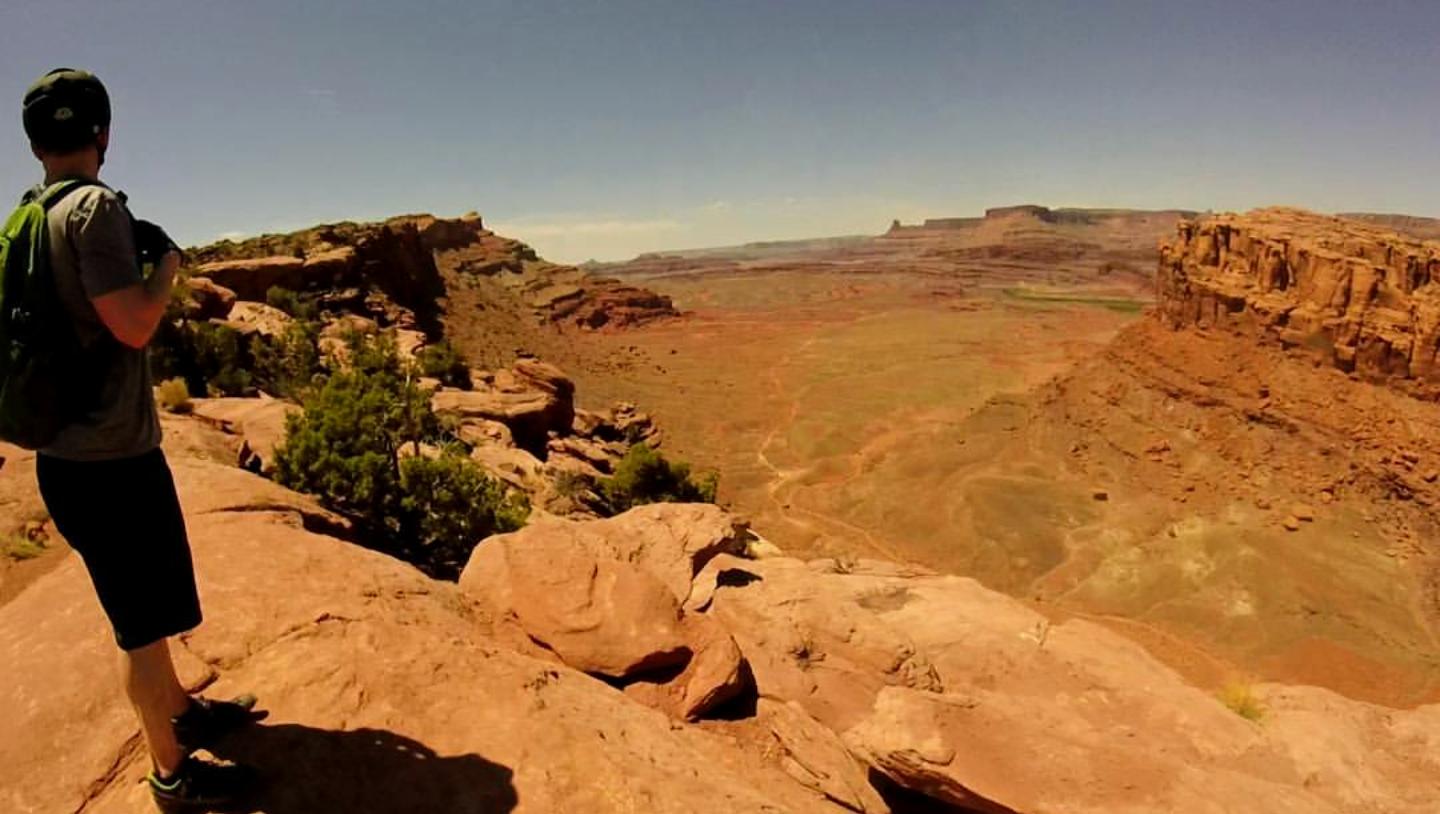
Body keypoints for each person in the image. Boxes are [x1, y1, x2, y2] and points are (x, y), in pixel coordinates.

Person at [21, 68, 259, 810]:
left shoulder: (27, 215)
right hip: (113, 461)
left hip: (66, 455)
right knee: (138, 631)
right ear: (103, 134)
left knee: (143, 613)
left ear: (34, 143)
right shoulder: (93, 209)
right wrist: (167, 270)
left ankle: (181, 709)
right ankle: (171, 773)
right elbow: (133, 323)